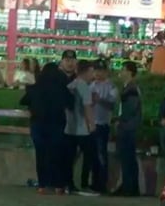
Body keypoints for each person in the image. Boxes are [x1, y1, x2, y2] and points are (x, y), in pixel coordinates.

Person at [20, 63, 71, 194]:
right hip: (57, 125)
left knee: (41, 154)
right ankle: (58, 185)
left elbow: (24, 101)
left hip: (38, 125)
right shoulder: (61, 88)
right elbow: (71, 103)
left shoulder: (34, 88)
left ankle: (42, 184)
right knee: (57, 154)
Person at [63, 59, 100, 195]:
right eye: (92, 71)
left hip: (69, 127)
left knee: (70, 157)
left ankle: (68, 183)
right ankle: (85, 184)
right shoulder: (83, 86)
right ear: (89, 71)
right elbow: (87, 107)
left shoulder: (72, 85)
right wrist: (92, 125)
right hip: (82, 129)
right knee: (89, 157)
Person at [114, 61, 141, 197]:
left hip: (128, 127)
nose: (121, 72)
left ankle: (129, 186)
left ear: (130, 72)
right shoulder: (128, 88)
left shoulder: (131, 89)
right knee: (127, 158)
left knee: (127, 158)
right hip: (128, 126)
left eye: (123, 69)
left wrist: (121, 120)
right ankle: (129, 185)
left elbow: (130, 109)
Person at [90, 61, 117, 194]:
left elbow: (112, 104)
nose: (98, 73)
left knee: (102, 155)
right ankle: (94, 182)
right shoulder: (91, 85)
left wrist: (99, 99)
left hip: (102, 124)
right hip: (91, 124)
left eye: (100, 70)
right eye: (96, 70)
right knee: (92, 155)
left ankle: (102, 183)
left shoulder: (111, 86)